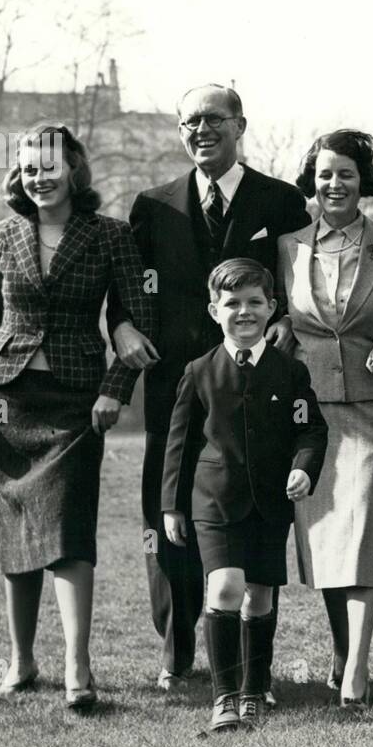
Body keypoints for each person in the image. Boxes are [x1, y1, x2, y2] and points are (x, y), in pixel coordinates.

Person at [108, 84, 311, 695]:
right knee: (167, 508)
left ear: (240, 125)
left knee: (246, 508)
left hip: (255, 390)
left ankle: (249, 660)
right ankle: (176, 649)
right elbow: (130, 286)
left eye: (214, 120)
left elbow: (299, 286)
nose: (201, 130)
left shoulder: (281, 201)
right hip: (175, 385)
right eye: (189, 122)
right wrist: (119, 325)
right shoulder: (153, 206)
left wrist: (283, 322)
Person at [0, 122, 156, 710]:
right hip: (5, 401)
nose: (39, 176)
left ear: (74, 170)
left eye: (50, 165)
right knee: (16, 531)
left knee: (67, 533)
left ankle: (77, 666)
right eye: (29, 166)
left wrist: (115, 389)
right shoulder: (3, 234)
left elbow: (139, 319)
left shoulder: (109, 236)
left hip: (75, 403)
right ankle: (21, 660)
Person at [278, 130, 373, 709]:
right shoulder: (289, 246)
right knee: (323, 539)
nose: (334, 184)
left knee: (364, 534)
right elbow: (279, 318)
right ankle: (342, 655)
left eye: (345, 173)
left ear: (363, 180)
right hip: (309, 415)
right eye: (324, 174)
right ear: (312, 182)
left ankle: (357, 671)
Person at [160, 259, 328, 732]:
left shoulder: (289, 373)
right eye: (232, 303)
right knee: (226, 587)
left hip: (270, 504)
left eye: (255, 303)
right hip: (213, 500)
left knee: (258, 598)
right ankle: (225, 698)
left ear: (272, 308)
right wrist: (172, 505)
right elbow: (180, 442)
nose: (244, 312)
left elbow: (310, 429)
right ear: (215, 311)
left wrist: (302, 469)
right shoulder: (197, 372)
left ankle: (255, 688)